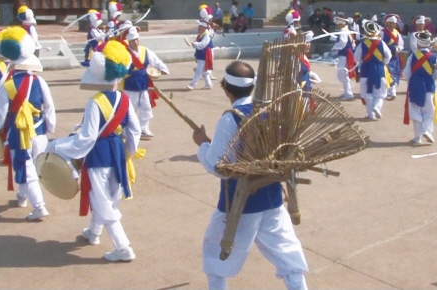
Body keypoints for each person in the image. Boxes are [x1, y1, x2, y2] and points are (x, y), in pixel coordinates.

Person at [192, 61, 309, 290]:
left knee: (215, 254)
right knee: (287, 254)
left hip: (240, 201)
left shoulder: (231, 118)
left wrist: (202, 145)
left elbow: (220, 167)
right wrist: (210, 143)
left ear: (226, 88)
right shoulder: (271, 111)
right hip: (273, 198)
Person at [48, 40, 142, 262]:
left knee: (101, 199)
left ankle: (123, 247)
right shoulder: (124, 98)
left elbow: (86, 139)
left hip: (98, 154)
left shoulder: (95, 102)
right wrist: (128, 152)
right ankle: (94, 233)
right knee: (109, 196)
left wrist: (56, 145)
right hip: (117, 153)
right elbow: (135, 130)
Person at [0, 26, 55, 221]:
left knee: (26, 169)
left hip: (19, 135)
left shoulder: (9, 86)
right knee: (32, 167)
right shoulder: (40, 81)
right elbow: (50, 108)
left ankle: (39, 206)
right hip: (39, 132)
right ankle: (22, 196)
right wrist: (50, 127)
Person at [121, 26, 169, 138]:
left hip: (144, 84)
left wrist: (162, 69)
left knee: (146, 107)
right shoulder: (125, 53)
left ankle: (144, 128)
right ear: (129, 41)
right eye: (133, 40)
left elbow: (156, 60)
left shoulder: (145, 50)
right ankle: (126, 129)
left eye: (137, 39)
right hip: (130, 84)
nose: (136, 42)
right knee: (130, 108)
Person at [403, 32, 437, 145]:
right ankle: (427, 131)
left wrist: (413, 81)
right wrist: (431, 80)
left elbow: (406, 73)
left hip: (415, 84)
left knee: (415, 110)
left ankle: (417, 137)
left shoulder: (413, 56)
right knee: (429, 110)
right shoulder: (434, 57)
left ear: (418, 44)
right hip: (429, 84)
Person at [355, 21, 392, 120]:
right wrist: (382, 63)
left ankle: (370, 114)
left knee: (367, 93)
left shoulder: (362, 44)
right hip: (379, 69)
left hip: (366, 69)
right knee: (380, 92)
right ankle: (377, 106)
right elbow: (388, 56)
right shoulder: (382, 43)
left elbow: (356, 58)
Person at [331, 16, 356, 101]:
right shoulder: (348, 31)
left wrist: (334, 48)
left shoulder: (343, 31)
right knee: (344, 73)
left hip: (344, 54)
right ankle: (347, 92)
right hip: (347, 53)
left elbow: (343, 42)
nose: (337, 26)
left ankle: (348, 93)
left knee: (343, 73)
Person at [382, 14, 404, 100]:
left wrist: (398, 48)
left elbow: (401, 44)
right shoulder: (382, 32)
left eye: (393, 23)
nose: (392, 25)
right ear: (387, 23)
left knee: (394, 72)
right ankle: (390, 91)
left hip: (394, 56)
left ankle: (392, 91)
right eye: (390, 23)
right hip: (385, 56)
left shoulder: (397, 33)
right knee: (387, 73)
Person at [187, 21, 214, 90]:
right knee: (204, 70)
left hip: (205, 54)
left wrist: (194, 44)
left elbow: (202, 44)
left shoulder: (206, 35)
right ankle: (208, 84)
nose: (199, 27)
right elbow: (197, 42)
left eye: (200, 26)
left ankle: (192, 85)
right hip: (202, 53)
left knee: (199, 70)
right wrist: (193, 43)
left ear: (204, 27)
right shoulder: (201, 34)